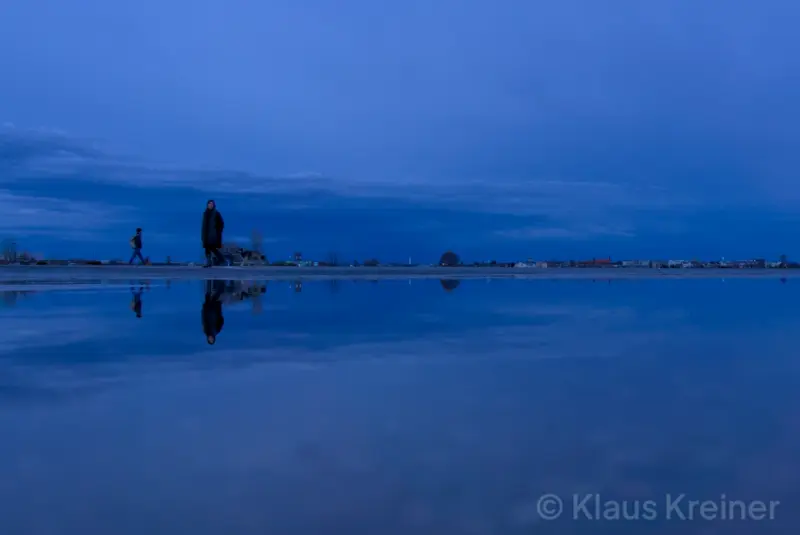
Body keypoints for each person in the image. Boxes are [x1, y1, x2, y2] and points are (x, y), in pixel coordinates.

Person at [201, 200, 227, 267]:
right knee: (207, 248)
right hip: (206, 234)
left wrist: (217, 231)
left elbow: (221, 223)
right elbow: (204, 225)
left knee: (213, 248)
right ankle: (209, 262)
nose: (210, 205)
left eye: (212, 204)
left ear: (214, 205)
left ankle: (222, 260)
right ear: (207, 205)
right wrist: (203, 234)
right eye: (209, 204)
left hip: (213, 235)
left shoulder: (216, 213)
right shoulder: (205, 213)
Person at [202, 280, 225, 344]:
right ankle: (220, 282)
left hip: (208, 309)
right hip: (214, 310)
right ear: (214, 339)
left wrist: (203, 309)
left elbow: (204, 319)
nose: (210, 338)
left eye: (209, 340)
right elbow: (221, 320)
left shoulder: (206, 330)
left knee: (208, 294)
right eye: (212, 340)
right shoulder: (217, 330)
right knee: (217, 295)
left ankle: (210, 279)